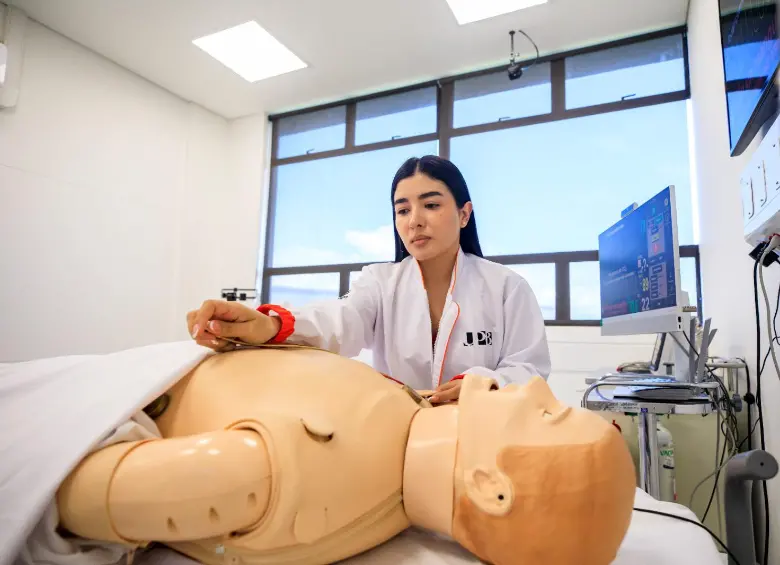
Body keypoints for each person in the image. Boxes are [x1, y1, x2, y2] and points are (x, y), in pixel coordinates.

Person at [188, 155, 551, 403]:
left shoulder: (506, 287)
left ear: (463, 214)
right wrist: (269, 324)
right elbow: (341, 321)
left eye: (431, 204)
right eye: (403, 209)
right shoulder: (380, 282)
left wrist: (478, 385)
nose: (415, 220)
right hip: (401, 435)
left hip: (482, 432)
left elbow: (529, 368)